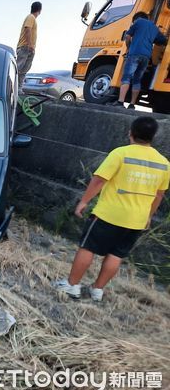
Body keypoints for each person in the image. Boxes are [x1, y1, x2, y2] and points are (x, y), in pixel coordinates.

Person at [55, 117, 168, 301]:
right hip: (137, 220)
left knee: (88, 247)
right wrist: (148, 216)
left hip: (109, 214)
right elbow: (159, 195)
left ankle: (72, 285)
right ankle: (97, 290)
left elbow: (99, 179)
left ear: (130, 132)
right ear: (153, 137)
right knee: (116, 254)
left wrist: (84, 201)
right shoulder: (163, 163)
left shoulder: (121, 153)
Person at [111, 12, 168, 109]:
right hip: (146, 57)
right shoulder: (154, 27)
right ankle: (132, 104)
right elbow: (162, 41)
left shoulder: (138, 22)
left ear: (136, 19)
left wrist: (129, 48)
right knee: (137, 80)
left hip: (135, 54)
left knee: (126, 77)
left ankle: (120, 102)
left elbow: (128, 36)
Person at [17, 1, 42, 90]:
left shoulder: (32, 19)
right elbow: (28, 29)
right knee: (18, 68)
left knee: (24, 70)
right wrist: (29, 45)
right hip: (25, 47)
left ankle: (18, 88)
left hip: (28, 48)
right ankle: (10, 86)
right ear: (40, 10)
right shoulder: (31, 17)